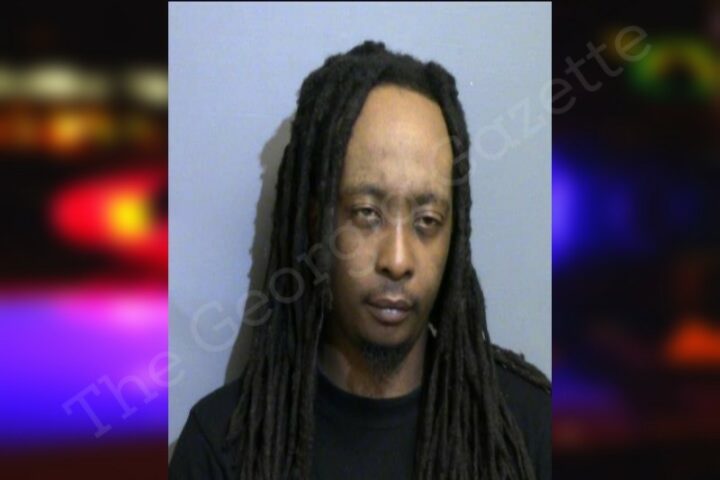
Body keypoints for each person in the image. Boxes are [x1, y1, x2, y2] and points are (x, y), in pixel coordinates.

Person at [170, 40, 550, 480]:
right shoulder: (222, 448)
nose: (398, 260)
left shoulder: (526, 430)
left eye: (428, 220)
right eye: (367, 213)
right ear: (315, 222)